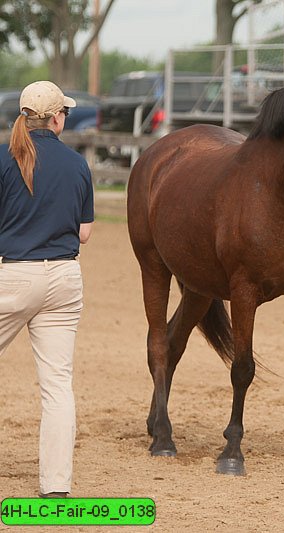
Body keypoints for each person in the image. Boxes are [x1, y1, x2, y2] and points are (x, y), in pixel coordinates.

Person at [0, 81, 94, 498]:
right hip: (63, 280)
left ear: (22, 116)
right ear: (57, 118)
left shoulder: (5, 160)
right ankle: (56, 487)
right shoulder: (76, 164)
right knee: (57, 386)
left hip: (15, 276)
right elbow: (86, 233)